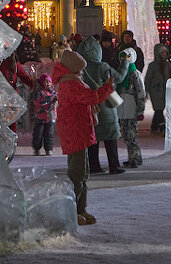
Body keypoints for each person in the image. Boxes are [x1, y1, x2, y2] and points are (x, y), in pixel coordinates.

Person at [53, 49, 114, 225]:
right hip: (75, 131)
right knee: (76, 174)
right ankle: (72, 210)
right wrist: (108, 88)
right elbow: (91, 97)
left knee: (82, 173)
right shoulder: (70, 84)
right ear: (73, 69)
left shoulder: (72, 81)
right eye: (80, 69)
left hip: (79, 130)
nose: (82, 72)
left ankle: (81, 209)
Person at [77, 36, 125, 175]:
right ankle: (114, 165)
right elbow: (119, 77)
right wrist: (125, 63)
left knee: (93, 137)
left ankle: (94, 165)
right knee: (110, 138)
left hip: (90, 106)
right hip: (105, 106)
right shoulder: (102, 66)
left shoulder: (80, 68)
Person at [116, 48, 147, 168]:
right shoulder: (122, 72)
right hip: (123, 107)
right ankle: (133, 157)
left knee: (132, 135)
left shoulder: (134, 73)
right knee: (127, 135)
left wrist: (140, 109)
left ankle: (135, 158)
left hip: (131, 107)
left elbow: (140, 92)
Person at [145, 43, 171, 134]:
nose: (164, 54)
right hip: (155, 90)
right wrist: (146, 89)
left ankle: (154, 126)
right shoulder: (153, 65)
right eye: (162, 52)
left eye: (165, 52)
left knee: (159, 109)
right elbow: (148, 77)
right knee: (158, 108)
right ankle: (162, 126)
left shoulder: (167, 64)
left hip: (164, 90)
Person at [31, 73, 57, 156]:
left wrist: (56, 100)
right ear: (42, 83)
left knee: (49, 134)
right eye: (46, 81)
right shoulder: (39, 92)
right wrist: (49, 99)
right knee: (38, 134)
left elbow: (57, 101)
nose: (48, 83)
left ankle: (49, 149)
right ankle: (37, 148)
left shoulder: (53, 92)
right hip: (40, 117)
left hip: (50, 117)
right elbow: (38, 102)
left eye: (49, 81)